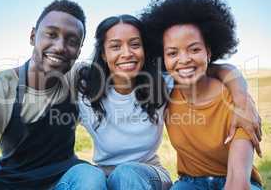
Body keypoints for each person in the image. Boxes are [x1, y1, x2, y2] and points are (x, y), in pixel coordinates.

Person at [55, 13, 261, 190]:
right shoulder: (83, 84)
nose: (126, 53)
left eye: (135, 44)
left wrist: (242, 99)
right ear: (103, 53)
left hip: (148, 174)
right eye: (115, 46)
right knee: (92, 178)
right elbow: (42, 73)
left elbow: (213, 68)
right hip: (105, 174)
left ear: (145, 50)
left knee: (127, 173)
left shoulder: (162, 83)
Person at [0, 0, 102, 190]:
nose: (59, 46)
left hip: (64, 180)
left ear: (79, 50)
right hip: (8, 183)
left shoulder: (78, 78)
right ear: (33, 36)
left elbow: (120, 72)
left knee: (90, 176)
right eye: (51, 34)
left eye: (72, 41)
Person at [141, 0, 262, 189]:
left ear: (209, 52)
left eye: (194, 49)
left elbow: (238, 183)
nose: (184, 59)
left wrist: (241, 97)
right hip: (189, 183)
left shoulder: (235, 98)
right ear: (163, 58)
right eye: (173, 53)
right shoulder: (164, 92)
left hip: (236, 180)